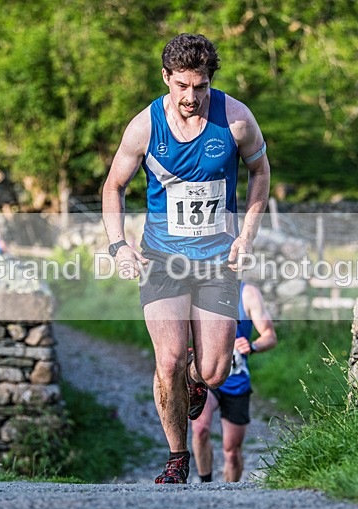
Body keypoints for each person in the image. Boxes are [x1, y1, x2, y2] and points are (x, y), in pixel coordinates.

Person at [102, 33, 271, 484]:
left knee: (214, 371)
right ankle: (177, 459)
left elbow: (259, 172)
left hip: (219, 260)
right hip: (163, 259)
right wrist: (119, 245)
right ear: (166, 79)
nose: (190, 97)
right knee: (170, 359)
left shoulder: (236, 120)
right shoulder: (144, 126)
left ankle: (195, 380)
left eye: (199, 86)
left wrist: (246, 235)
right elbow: (113, 187)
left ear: (210, 80)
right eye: (181, 86)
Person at [191, 281, 276, 482]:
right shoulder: (196, 288)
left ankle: (229, 496)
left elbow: (270, 336)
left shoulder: (248, 293)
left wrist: (252, 346)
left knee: (231, 451)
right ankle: (205, 484)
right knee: (200, 429)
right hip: (205, 376)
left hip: (236, 380)